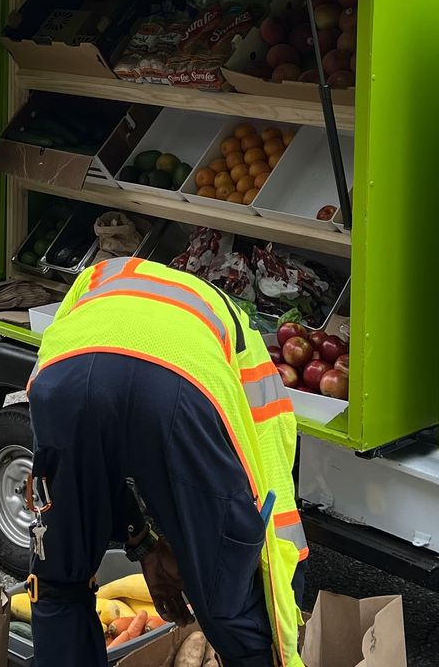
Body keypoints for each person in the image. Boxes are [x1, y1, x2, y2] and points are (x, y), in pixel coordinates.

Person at [26, 257, 307, 667]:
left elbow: (95, 438)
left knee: (59, 583)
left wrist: (144, 543)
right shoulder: (233, 323)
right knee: (228, 600)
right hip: (182, 386)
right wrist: (277, 585)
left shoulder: (99, 277)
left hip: (63, 379)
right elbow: (268, 477)